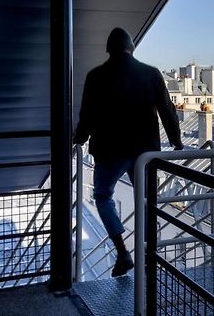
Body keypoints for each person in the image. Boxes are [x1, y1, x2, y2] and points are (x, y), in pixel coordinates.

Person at [73, 27, 182, 277]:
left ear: (108, 49)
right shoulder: (151, 74)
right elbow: (167, 110)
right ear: (132, 48)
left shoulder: (96, 76)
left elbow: (87, 116)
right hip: (145, 152)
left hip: (109, 151)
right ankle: (149, 254)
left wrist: (78, 140)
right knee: (146, 201)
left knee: (102, 197)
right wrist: (177, 142)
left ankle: (123, 252)